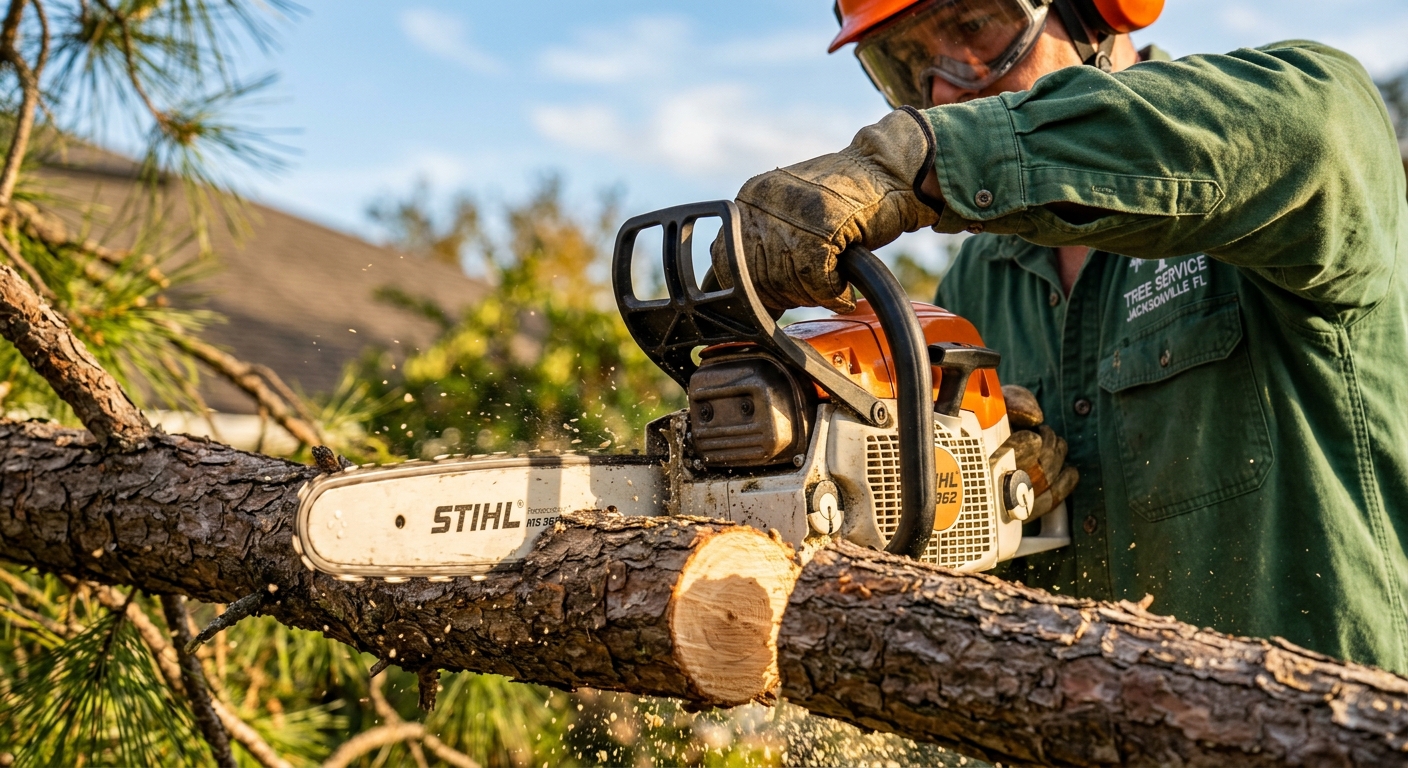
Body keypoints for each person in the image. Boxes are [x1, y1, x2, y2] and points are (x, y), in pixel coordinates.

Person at [713, 0, 1408, 673]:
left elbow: (1325, 122)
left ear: (1101, 10)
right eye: (907, 66)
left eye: (975, 28)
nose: (943, 91)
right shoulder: (974, 291)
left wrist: (928, 159)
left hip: (1325, 725)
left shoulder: (1274, 166)